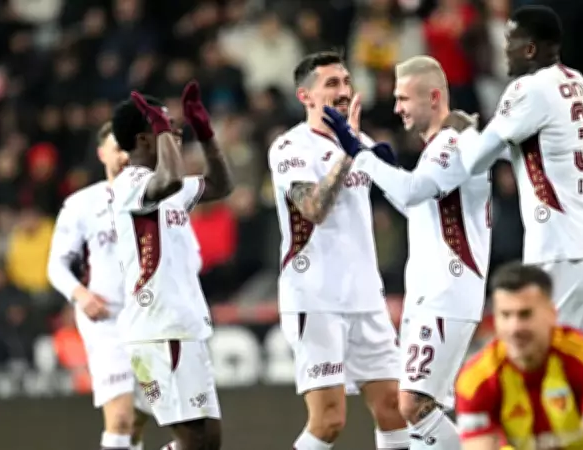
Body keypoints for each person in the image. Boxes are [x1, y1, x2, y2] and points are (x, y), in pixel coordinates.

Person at [442, 6, 583, 449]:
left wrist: (461, 131)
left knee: (536, 373)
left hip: (558, 257)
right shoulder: (576, 82)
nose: (504, 51)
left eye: (509, 43)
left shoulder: (528, 88)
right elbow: (537, 148)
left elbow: (475, 160)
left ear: (529, 49)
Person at [323, 55, 492, 449]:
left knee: (413, 404)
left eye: (403, 98)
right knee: (417, 407)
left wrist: (362, 155)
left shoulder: (454, 142)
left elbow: (414, 191)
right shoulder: (437, 147)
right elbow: (419, 207)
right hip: (428, 292)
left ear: (433, 97)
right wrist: (376, 159)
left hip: (449, 290)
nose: (397, 107)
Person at [267, 51, 409, 450]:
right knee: (329, 420)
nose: (344, 91)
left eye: (346, 82)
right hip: (315, 298)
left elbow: (406, 200)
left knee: (394, 408)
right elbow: (313, 208)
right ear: (305, 96)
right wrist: (348, 153)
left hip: (366, 297)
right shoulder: (289, 147)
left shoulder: (363, 142)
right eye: (332, 84)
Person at [109, 81, 233, 450]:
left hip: (182, 327)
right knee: (194, 440)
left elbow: (221, 185)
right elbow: (171, 180)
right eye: (163, 124)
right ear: (143, 139)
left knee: (207, 442)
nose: (174, 130)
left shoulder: (168, 187)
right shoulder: (130, 183)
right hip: (158, 330)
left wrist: (206, 134)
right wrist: (165, 128)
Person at [47, 122, 152, 450]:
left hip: (151, 319)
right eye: (117, 148)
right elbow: (56, 265)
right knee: (119, 417)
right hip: (106, 320)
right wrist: (81, 295)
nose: (124, 156)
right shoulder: (81, 205)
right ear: (101, 153)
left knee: (138, 418)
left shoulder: (156, 197)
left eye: (129, 148)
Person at [455, 262, 583, 450]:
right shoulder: (475, 380)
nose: (515, 328)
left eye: (525, 314)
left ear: (551, 314)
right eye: (505, 315)